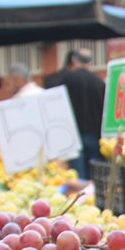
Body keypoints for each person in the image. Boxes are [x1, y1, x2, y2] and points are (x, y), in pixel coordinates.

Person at [44, 49, 105, 179]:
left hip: (73, 136)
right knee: (97, 176)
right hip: (95, 135)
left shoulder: (66, 80)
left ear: (74, 61)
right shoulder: (98, 81)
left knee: (78, 177)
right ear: (89, 63)